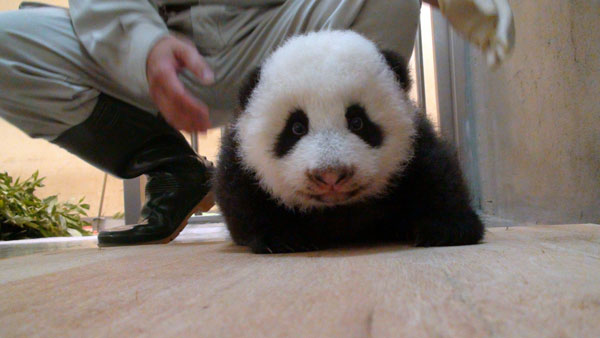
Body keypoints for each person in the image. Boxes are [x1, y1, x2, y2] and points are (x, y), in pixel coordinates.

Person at [0, 0, 514, 246]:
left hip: (286, 34)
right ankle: (170, 166)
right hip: (145, 38)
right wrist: (141, 42)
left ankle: (385, 191)